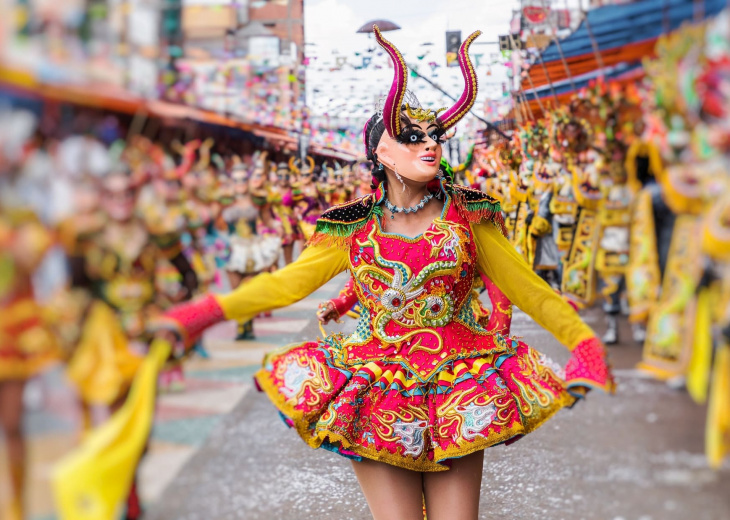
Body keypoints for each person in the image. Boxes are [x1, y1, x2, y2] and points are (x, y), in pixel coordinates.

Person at [154, 26, 614, 520]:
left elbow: (530, 290)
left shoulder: (469, 215)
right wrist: (202, 313)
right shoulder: (352, 225)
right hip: (377, 385)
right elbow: (286, 284)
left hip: (462, 379)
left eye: (435, 135)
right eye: (412, 136)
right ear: (381, 153)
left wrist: (585, 345)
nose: (429, 144)